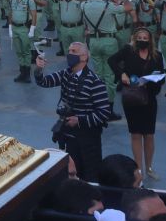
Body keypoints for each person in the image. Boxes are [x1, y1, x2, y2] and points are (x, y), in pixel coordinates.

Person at [34, 41, 113, 182]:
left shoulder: (95, 82)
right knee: (72, 172)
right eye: (69, 51)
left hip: (88, 138)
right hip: (70, 136)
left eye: (74, 52)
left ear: (84, 57)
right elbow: (44, 82)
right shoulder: (66, 74)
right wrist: (39, 70)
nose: (70, 54)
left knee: (90, 175)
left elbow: (104, 113)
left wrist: (79, 120)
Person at [108, 24, 162, 182]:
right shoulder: (128, 52)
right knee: (136, 134)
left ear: (150, 40)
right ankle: (138, 168)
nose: (142, 40)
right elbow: (112, 60)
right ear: (134, 39)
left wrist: (151, 81)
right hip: (132, 98)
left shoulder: (156, 56)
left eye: (145, 38)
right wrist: (122, 74)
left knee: (149, 134)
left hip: (149, 97)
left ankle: (149, 167)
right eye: (139, 38)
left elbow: (161, 76)